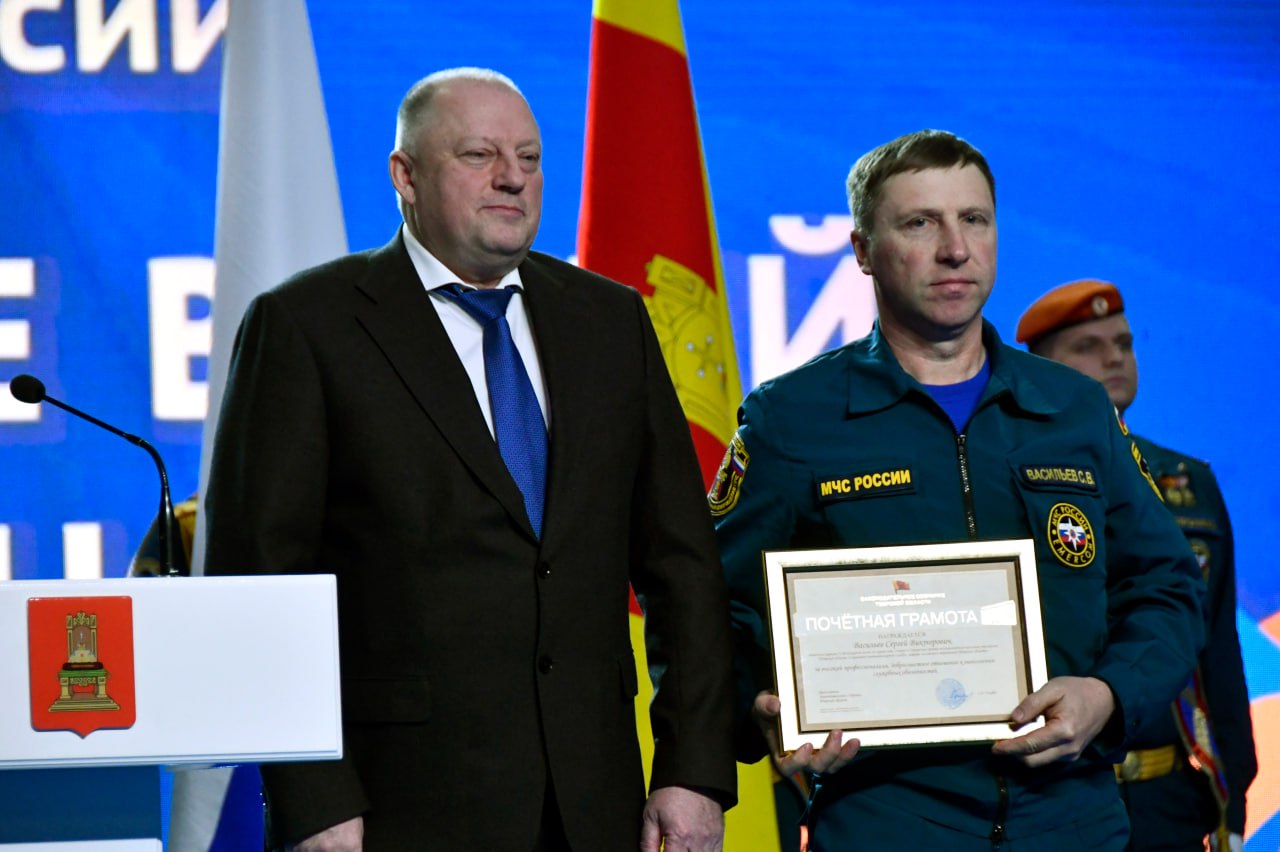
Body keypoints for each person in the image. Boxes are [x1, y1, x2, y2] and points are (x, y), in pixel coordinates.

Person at [201, 67, 736, 851]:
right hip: (398, 810)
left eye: (529, 157)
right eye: (480, 154)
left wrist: (693, 769)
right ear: (405, 176)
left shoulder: (609, 320)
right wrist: (313, 797)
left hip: (596, 805)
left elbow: (682, 565)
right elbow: (259, 581)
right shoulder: (307, 327)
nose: (512, 177)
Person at [711, 129, 1205, 850]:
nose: (955, 249)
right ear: (862, 250)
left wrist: (1108, 695)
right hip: (887, 822)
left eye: (974, 219)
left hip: (1073, 820)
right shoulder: (793, 418)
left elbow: (1167, 586)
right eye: (920, 223)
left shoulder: (1073, 409)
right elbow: (708, 606)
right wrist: (762, 705)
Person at [1016, 279, 1257, 852]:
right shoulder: (1008, 477)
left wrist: (1233, 791)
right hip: (1051, 791)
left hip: (1168, 796)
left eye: (1123, 343)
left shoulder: (1187, 483)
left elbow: (1217, 651)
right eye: (1087, 346)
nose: (1114, 358)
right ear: (1041, 368)